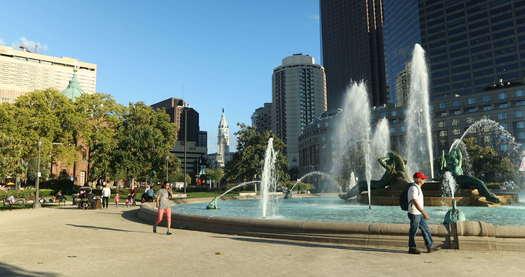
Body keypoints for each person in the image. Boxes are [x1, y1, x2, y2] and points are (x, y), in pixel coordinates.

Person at [407, 172, 437, 254]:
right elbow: (414, 201)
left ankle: (430, 246)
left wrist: (422, 213)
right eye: (422, 178)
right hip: (414, 213)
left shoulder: (418, 187)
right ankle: (412, 247)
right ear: (417, 179)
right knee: (413, 230)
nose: (424, 180)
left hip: (418, 213)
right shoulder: (413, 188)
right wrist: (424, 212)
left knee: (425, 229)